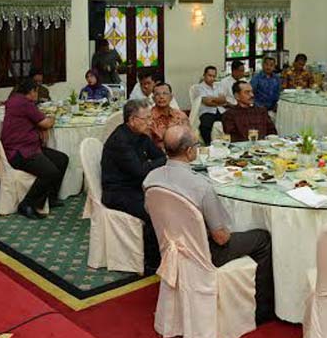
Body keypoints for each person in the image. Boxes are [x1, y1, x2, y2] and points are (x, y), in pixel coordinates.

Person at [144, 125, 275, 324]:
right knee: (263, 238)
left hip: (170, 247)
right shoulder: (202, 186)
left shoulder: (151, 179)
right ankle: (262, 311)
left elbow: (152, 211)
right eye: (196, 145)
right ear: (189, 152)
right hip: (204, 254)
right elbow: (221, 238)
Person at [101, 100, 168, 270]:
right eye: (145, 119)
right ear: (132, 120)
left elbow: (159, 155)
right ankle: (152, 262)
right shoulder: (120, 141)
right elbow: (140, 170)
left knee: (169, 201)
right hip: (118, 192)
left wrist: (159, 161)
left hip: (136, 186)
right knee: (156, 210)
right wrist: (160, 161)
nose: (149, 122)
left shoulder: (141, 135)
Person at [1, 78, 68, 219]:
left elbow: (31, 121)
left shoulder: (14, 100)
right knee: (50, 172)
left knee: (61, 159)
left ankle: (50, 198)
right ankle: (27, 204)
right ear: (32, 91)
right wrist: (52, 117)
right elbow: (46, 123)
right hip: (20, 152)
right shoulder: (25, 104)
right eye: (36, 91)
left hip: (28, 146)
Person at [148, 82, 189, 151]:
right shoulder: (148, 118)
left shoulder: (180, 115)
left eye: (165, 93)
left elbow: (189, 137)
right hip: (158, 155)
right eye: (157, 94)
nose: (161, 97)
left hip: (181, 153)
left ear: (171, 97)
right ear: (153, 98)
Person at [196, 65, 228, 145]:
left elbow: (224, 100)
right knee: (205, 126)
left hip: (220, 110)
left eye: (214, 76)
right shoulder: (199, 87)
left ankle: (227, 142)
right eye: (210, 75)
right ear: (204, 75)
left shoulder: (218, 85)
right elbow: (207, 102)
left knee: (230, 119)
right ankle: (208, 144)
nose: (212, 78)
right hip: (207, 111)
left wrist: (212, 99)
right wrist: (218, 100)